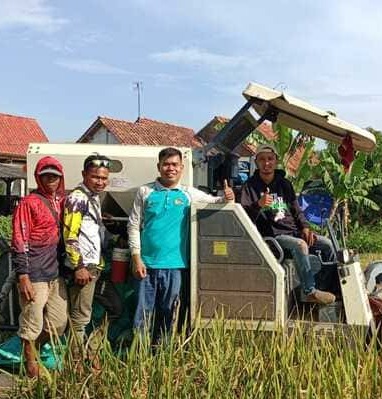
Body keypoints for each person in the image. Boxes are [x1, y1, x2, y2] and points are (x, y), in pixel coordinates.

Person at [128, 147, 234, 340]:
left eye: (175, 164)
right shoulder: (145, 192)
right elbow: (134, 226)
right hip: (146, 265)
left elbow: (215, 201)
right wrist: (136, 258)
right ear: (158, 167)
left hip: (176, 266)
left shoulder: (188, 193)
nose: (171, 168)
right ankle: (138, 359)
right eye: (166, 164)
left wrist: (227, 196)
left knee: (168, 316)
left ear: (182, 168)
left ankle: (161, 358)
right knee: (141, 316)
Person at [240, 144, 336, 305]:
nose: (266, 163)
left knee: (327, 245)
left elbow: (297, 210)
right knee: (301, 246)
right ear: (256, 162)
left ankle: (329, 288)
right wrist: (259, 204)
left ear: (276, 161)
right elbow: (244, 218)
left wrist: (305, 227)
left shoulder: (284, 184)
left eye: (270, 159)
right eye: (262, 159)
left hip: (294, 232)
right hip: (274, 238)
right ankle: (310, 291)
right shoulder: (249, 187)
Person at [11, 156, 68, 377]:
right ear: (39, 177)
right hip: (34, 272)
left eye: (55, 176)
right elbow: (19, 239)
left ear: (60, 178)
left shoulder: (61, 201)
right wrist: (23, 275)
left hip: (54, 272)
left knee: (58, 322)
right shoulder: (29, 203)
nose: (51, 180)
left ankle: (33, 349)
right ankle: (31, 369)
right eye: (46, 176)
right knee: (31, 321)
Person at [63, 154, 110, 358]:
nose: (100, 182)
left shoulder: (93, 198)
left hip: (94, 265)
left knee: (113, 308)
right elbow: (69, 235)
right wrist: (78, 266)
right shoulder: (77, 198)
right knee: (80, 318)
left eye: (103, 178)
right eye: (95, 177)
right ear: (84, 175)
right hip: (84, 267)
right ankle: (76, 364)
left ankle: (90, 351)